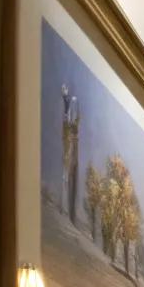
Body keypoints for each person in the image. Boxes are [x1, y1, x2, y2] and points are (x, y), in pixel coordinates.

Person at [61, 83, 80, 222]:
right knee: (65, 176)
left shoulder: (72, 128)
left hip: (69, 147)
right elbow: (68, 124)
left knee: (66, 176)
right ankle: (64, 210)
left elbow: (73, 124)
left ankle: (65, 211)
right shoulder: (68, 127)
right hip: (67, 149)